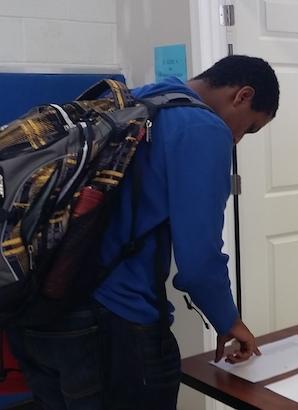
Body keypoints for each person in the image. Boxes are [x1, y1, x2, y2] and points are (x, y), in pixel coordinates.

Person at [7, 55, 280, 409]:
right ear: (242, 95)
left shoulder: (132, 100)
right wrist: (228, 320)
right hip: (113, 327)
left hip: (37, 316)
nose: (238, 139)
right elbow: (199, 261)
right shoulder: (203, 129)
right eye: (249, 127)